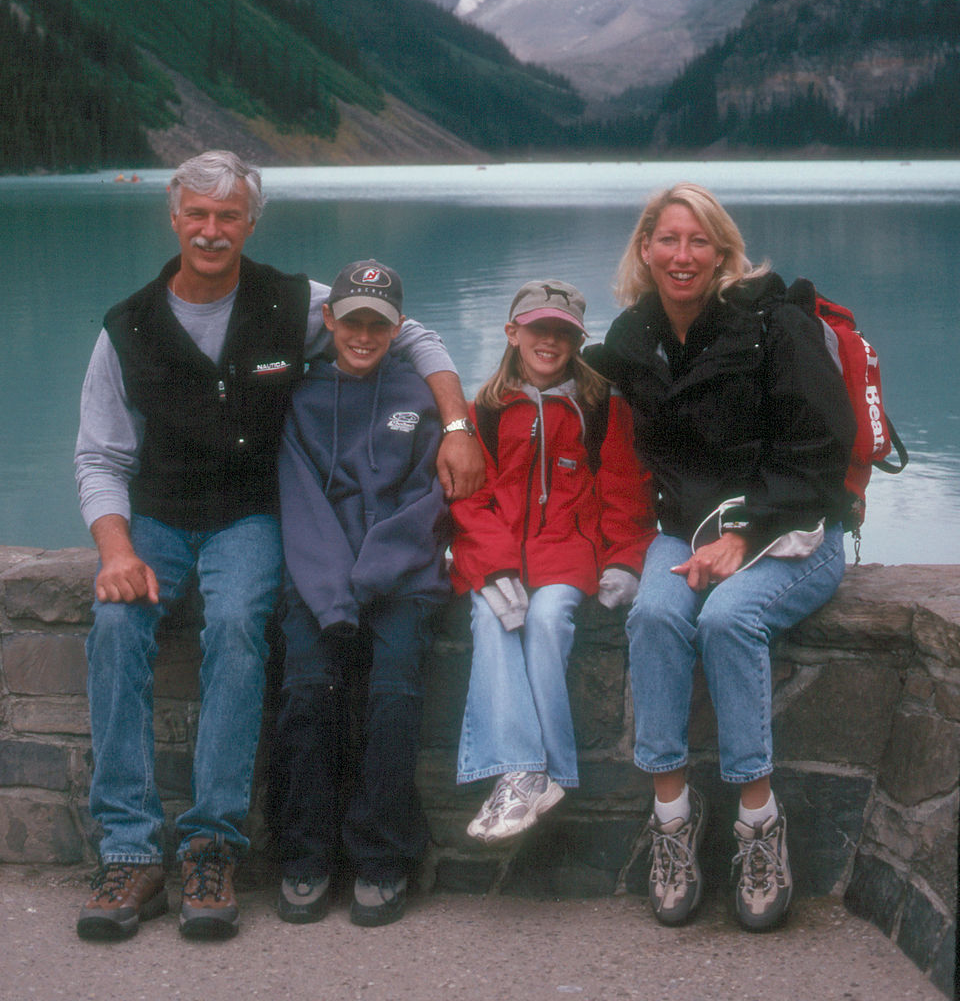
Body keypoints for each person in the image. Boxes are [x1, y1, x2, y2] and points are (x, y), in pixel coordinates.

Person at [74, 151, 483, 941]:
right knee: (116, 628)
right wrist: (116, 550)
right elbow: (100, 458)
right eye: (197, 213)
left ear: (251, 224)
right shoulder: (126, 326)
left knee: (235, 627)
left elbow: (412, 331)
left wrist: (458, 425)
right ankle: (129, 852)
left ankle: (210, 845)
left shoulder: (296, 302)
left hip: (249, 517)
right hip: (154, 518)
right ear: (174, 218)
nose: (212, 230)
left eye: (229, 216)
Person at [584, 183, 855, 932]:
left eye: (699, 241)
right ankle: (671, 821)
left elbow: (821, 451)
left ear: (723, 253)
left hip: (796, 527)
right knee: (656, 614)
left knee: (731, 619)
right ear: (645, 250)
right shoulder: (634, 337)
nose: (682, 255)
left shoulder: (775, 326)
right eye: (668, 240)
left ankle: (758, 826)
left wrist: (748, 534)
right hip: (690, 529)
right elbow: (620, 456)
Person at [271, 259, 449, 928]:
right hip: (319, 579)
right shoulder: (299, 398)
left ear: (398, 328)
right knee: (307, 690)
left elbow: (426, 500)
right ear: (329, 322)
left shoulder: (422, 398)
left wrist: (371, 578)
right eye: (353, 322)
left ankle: (381, 857)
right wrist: (335, 595)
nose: (364, 335)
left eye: (378, 323)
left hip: (401, 579)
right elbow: (300, 500)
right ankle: (305, 855)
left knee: (394, 694)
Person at [449, 281, 656, 843]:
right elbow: (468, 500)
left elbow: (625, 493)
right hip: (500, 560)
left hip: (569, 558)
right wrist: (491, 569)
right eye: (538, 329)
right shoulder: (483, 411)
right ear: (513, 333)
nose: (549, 341)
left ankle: (542, 773)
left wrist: (626, 563)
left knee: (545, 621)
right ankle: (525, 773)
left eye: (563, 333)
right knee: (491, 619)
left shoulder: (600, 407)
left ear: (577, 341)